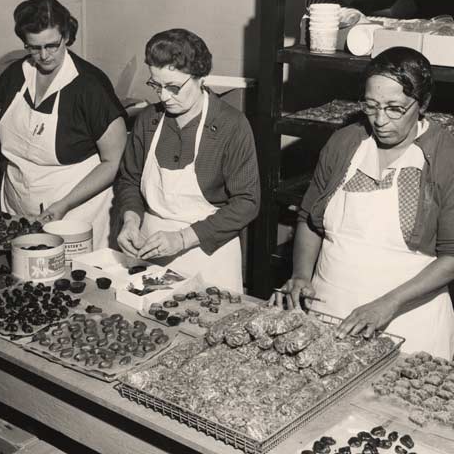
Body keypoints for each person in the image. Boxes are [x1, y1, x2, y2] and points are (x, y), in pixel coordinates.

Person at [277, 46, 454, 358]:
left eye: (395, 108)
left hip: (408, 323)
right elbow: (309, 219)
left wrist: (389, 304)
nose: (381, 120)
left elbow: (451, 256)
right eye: (371, 106)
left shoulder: (445, 156)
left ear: (423, 103)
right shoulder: (345, 142)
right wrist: (302, 275)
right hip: (329, 312)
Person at [0, 0, 127, 248]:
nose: (44, 56)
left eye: (52, 45)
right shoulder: (13, 77)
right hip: (18, 202)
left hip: (75, 211)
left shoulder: (89, 86)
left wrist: (64, 204)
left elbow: (114, 161)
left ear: (66, 36)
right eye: (33, 47)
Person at [115, 28, 260, 293]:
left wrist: (182, 239)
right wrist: (131, 220)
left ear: (201, 77)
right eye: (155, 85)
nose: (164, 97)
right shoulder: (148, 120)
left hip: (209, 253)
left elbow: (247, 203)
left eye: (173, 87)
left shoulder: (231, 125)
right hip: (152, 245)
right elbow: (129, 180)